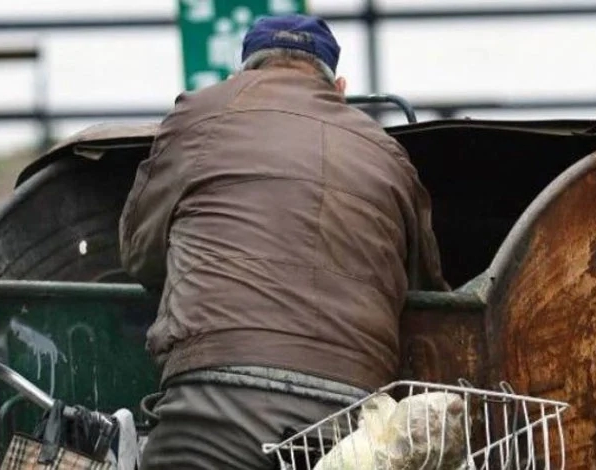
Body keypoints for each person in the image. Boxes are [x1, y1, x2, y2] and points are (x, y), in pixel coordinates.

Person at [119, 14, 448, 470]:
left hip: (217, 398)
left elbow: (139, 255)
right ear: (340, 89)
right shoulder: (386, 152)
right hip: (352, 416)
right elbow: (424, 291)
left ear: (242, 76)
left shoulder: (200, 113)